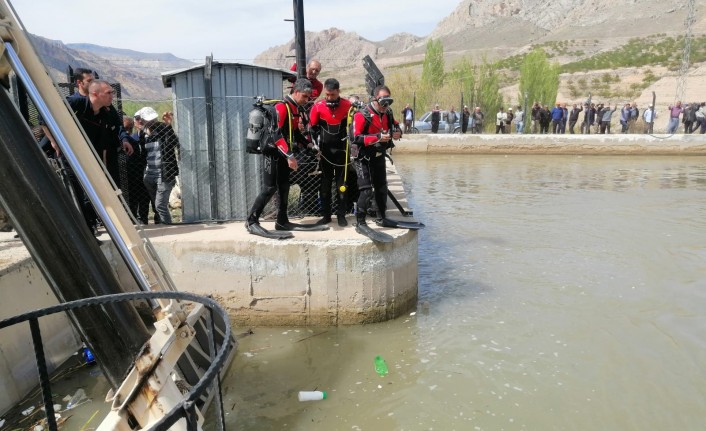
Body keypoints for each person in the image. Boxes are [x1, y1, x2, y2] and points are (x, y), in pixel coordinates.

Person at [246, 79, 327, 234]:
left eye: (308, 97)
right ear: (295, 92)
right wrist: (290, 156)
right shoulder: (282, 107)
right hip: (272, 153)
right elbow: (276, 135)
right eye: (304, 96)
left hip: (283, 154)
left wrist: (310, 146)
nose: (306, 100)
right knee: (269, 188)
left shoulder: (294, 108)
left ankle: (282, 222)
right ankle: (251, 222)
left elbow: (295, 133)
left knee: (284, 187)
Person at [351, 84, 401, 234]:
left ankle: (382, 217)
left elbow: (396, 126)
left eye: (389, 101)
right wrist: (377, 137)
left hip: (378, 155)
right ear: (375, 99)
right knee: (366, 191)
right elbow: (355, 137)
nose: (386, 106)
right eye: (383, 101)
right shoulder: (362, 114)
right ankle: (360, 222)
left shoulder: (388, 113)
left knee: (381, 187)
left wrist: (398, 132)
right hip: (362, 157)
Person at [309, 78, 353, 227]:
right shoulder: (318, 106)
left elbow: (354, 127)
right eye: (327, 94)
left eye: (332, 95)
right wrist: (315, 146)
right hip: (325, 153)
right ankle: (326, 216)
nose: (329, 98)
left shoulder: (348, 105)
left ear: (338, 91)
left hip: (342, 151)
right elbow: (312, 129)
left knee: (342, 185)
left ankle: (341, 215)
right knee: (325, 185)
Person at [137, 107, 179, 224]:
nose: (152, 122)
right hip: (149, 176)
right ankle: (163, 225)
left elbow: (173, 143)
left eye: (153, 119)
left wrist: (168, 125)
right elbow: (143, 153)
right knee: (158, 206)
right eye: (148, 120)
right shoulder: (143, 133)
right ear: (143, 120)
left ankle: (168, 228)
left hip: (164, 174)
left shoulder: (164, 129)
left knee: (160, 205)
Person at [123, 115, 151, 224]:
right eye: (126, 128)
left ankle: (143, 218)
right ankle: (132, 218)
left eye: (130, 128)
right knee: (131, 197)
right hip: (128, 172)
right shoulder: (126, 138)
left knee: (143, 196)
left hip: (140, 171)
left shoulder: (138, 137)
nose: (128, 131)